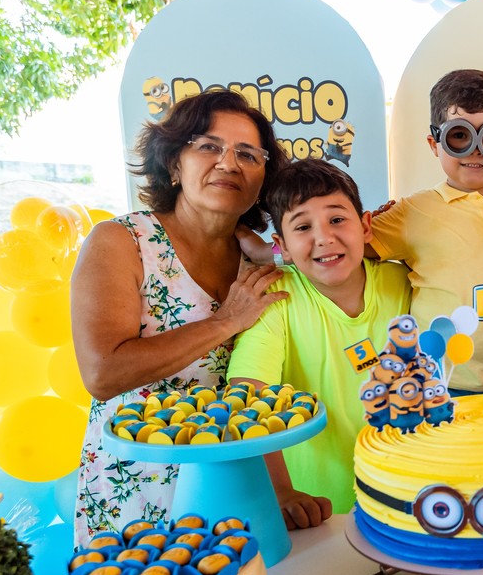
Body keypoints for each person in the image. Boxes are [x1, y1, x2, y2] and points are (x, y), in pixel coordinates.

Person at [72, 90, 288, 542]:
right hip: (139, 488)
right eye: (209, 146)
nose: (229, 163)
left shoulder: (259, 262)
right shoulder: (120, 241)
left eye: (248, 154)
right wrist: (225, 321)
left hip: (234, 484)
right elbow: (103, 372)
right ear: (174, 163)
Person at [226, 159, 412, 529]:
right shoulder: (275, 297)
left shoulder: (403, 281)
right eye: (303, 227)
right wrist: (280, 492)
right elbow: (246, 395)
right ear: (282, 246)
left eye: (337, 219)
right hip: (317, 513)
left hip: (406, 499)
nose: (324, 237)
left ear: (366, 226)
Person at [368, 69, 483, 395]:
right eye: (459, 136)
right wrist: (265, 248)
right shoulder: (412, 211)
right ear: (434, 143)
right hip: (439, 382)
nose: (475, 150)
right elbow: (341, 245)